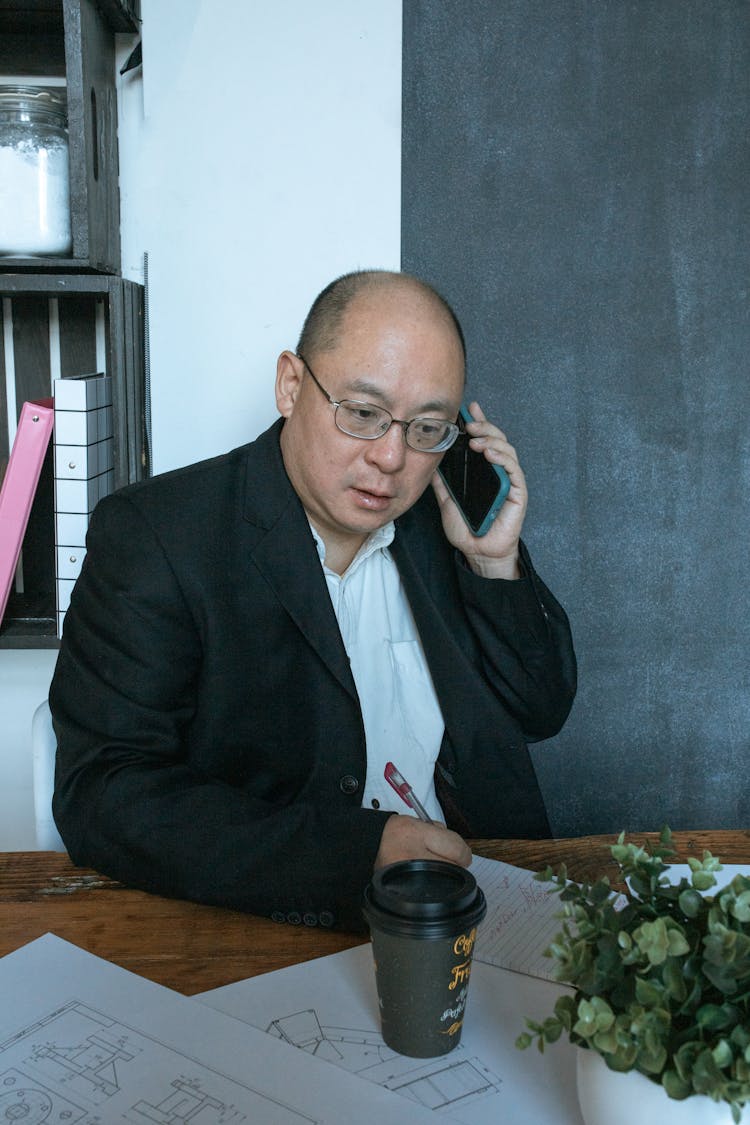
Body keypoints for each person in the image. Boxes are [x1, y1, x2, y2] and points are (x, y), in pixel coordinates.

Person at [50, 269, 576, 932]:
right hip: (274, 920)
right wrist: (357, 851)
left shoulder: (445, 518)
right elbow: (103, 795)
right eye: (362, 413)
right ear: (291, 385)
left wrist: (494, 563)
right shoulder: (159, 535)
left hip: (477, 904)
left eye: (428, 428)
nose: (392, 458)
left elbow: (542, 708)